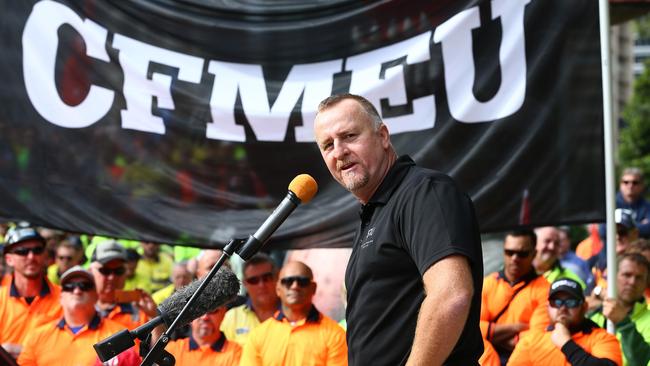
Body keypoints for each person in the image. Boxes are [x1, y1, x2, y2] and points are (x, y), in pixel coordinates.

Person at [314, 94, 483, 365]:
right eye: (327, 145)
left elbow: (451, 295)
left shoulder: (424, 192)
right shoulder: (374, 211)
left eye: (349, 136)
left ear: (382, 136)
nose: (339, 151)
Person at [17, 266, 140, 365]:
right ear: (60, 297)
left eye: (84, 286)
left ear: (96, 296)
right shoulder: (37, 335)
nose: (77, 291)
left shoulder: (117, 334)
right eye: (69, 287)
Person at [240, 261, 347, 366]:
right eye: (288, 281)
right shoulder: (258, 336)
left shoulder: (335, 334)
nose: (295, 286)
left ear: (313, 288)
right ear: (278, 289)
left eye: (302, 281)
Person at [508, 278, 622, 365]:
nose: (562, 308)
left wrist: (566, 344)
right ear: (548, 307)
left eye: (571, 302)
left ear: (584, 307)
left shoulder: (603, 338)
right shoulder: (531, 340)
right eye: (556, 302)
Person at [480, 230, 551, 362]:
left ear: (534, 254)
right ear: (504, 252)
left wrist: (490, 334)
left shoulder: (545, 289)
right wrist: (516, 328)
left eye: (522, 254)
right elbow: (474, 330)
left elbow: (537, 337)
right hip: (487, 357)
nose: (514, 258)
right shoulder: (487, 284)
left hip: (525, 359)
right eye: (509, 252)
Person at [0, 226, 62, 359]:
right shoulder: (0, 299)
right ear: (9, 259)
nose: (31, 256)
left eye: (37, 250)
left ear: (45, 255)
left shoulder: (65, 298)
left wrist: (27, 351)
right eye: (22, 251)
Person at [589, 253, 650, 366]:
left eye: (639, 277)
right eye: (627, 275)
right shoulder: (594, 314)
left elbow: (641, 362)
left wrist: (623, 323)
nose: (632, 282)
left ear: (646, 283)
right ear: (613, 277)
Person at [90, 240, 156, 330]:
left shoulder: (139, 309)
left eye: (119, 271)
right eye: (105, 270)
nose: (112, 277)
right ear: (90, 271)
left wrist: (153, 317)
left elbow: (157, 343)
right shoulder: (74, 301)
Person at [221, 253, 280, 345]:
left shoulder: (291, 313)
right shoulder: (232, 317)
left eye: (266, 278)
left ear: (277, 278)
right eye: (254, 280)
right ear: (245, 284)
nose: (261, 285)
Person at [165, 305, 242, 365]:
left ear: (224, 312)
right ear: (189, 316)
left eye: (213, 310)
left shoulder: (237, 353)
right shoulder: (172, 351)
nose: (205, 317)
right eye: (199, 311)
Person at [557, 227, 594, 294]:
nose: (559, 243)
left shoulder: (579, 262)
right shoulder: (548, 262)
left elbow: (589, 283)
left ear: (569, 241)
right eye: (557, 240)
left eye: (562, 240)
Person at [615, 168, 650, 238]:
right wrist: (640, 225)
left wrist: (621, 227)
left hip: (638, 248)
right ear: (620, 184)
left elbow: (648, 229)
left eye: (635, 183)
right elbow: (603, 230)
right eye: (626, 182)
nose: (630, 186)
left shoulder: (647, 206)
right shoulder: (610, 204)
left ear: (642, 185)